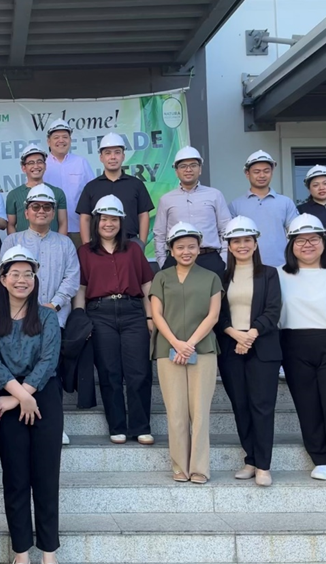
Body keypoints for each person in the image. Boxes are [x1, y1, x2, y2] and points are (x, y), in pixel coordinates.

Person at [0, 246, 63, 564]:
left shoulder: (46, 315)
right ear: (3, 279)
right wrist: (18, 396)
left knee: (46, 478)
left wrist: (21, 398)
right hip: (6, 397)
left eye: (28, 274)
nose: (22, 280)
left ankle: (49, 556)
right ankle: (21, 554)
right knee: (15, 478)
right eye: (14, 274)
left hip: (41, 397)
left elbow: (48, 361)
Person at [278, 213, 326, 484]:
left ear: (324, 242)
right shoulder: (279, 275)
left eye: (313, 239)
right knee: (307, 405)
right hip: (294, 345)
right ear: (291, 245)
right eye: (300, 240)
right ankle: (320, 460)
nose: (307, 245)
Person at [73, 195, 154, 445]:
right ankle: (117, 426)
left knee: (139, 371)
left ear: (121, 222)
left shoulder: (133, 249)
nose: (109, 224)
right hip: (100, 313)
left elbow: (147, 284)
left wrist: (150, 315)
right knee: (109, 372)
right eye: (104, 219)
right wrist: (81, 319)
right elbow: (81, 288)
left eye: (114, 219)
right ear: (97, 221)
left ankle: (141, 427)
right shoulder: (85, 252)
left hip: (132, 312)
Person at [1, 184, 79, 445]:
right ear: (26, 210)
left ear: (54, 212)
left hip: (53, 317)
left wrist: (53, 306)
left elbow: (72, 278)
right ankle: (18, 415)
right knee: (21, 368)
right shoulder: (12, 241)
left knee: (50, 370)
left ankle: (55, 423)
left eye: (47, 207)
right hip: (17, 318)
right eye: (36, 206)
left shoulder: (65, 243)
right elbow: (6, 279)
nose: (42, 211)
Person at [149, 221, 222, 484]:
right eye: (180, 247)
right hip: (167, 350)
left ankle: (200, 467)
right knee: (176, 411)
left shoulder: (211, 277)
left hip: (202, 350)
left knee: (200, 411)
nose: (186, 251)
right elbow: (156, 314)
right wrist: (176, 343)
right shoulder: (161, 277)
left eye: (191, 246)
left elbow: (213, 315)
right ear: (171, 249)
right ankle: (180, 465)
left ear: (200, 248)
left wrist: (189, 343)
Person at [215, 216, 281, 487]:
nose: (242, 245)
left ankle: (264, 465)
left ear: (255, 244)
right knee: (240, 405)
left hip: (261, 346)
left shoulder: (269, 273)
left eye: (247, 240)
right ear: (229, 246)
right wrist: (234, 334)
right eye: (236, 241)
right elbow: (216, 314)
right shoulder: (222, 276)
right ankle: (250, 459)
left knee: (262, 406)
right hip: (231, 347)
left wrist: (251, 334)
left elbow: (273, 309)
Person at [153, 146, 231, 279]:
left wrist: (223, 260)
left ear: (200, 169)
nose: (188, 170)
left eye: (193, 165)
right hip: (177, 261)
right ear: (176, 171)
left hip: (209, 259)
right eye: (183, 166)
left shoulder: (215, 195)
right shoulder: (166, 199)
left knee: (214, 299)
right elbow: (159, 234)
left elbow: (226, 230)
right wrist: (163, 263)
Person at [76, 132, 154, 247]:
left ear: (123, 156)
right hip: (100, 245)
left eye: (117, 152)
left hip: (130, 243)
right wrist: (87, 247)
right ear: (101, 157)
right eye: (108, 153)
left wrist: (141, 244)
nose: (113, 157)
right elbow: (85, 218)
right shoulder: (91, 187)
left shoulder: (136, 184)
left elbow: (143, 215)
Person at [228, 150, 298, 268]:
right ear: (247, 173)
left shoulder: (285, 202)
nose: (262, 175)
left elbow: (296, 235)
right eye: (256, 172)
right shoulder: (235, 205)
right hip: (247, 267)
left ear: (272, 172)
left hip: (281, 266)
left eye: (266, 171)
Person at [43, 119, 95, 248]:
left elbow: (93, 194)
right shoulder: (41, 165)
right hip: (50, 229)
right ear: (49, 141)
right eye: (56, 137)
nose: (61, 141)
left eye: (65, 137)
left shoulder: (81, 163)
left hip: (79, 228)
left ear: (70, 140)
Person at [6, 144, 67, 235]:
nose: (36, 166)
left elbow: (63, 223)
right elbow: (10, 225)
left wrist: (58, 245)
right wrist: (18, 246)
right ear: (23, 168)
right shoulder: (13, 195)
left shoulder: (57, 193)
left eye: (39, 162)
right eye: (31, 163)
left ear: (45, 166)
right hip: (23, 247)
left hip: (52, 246)